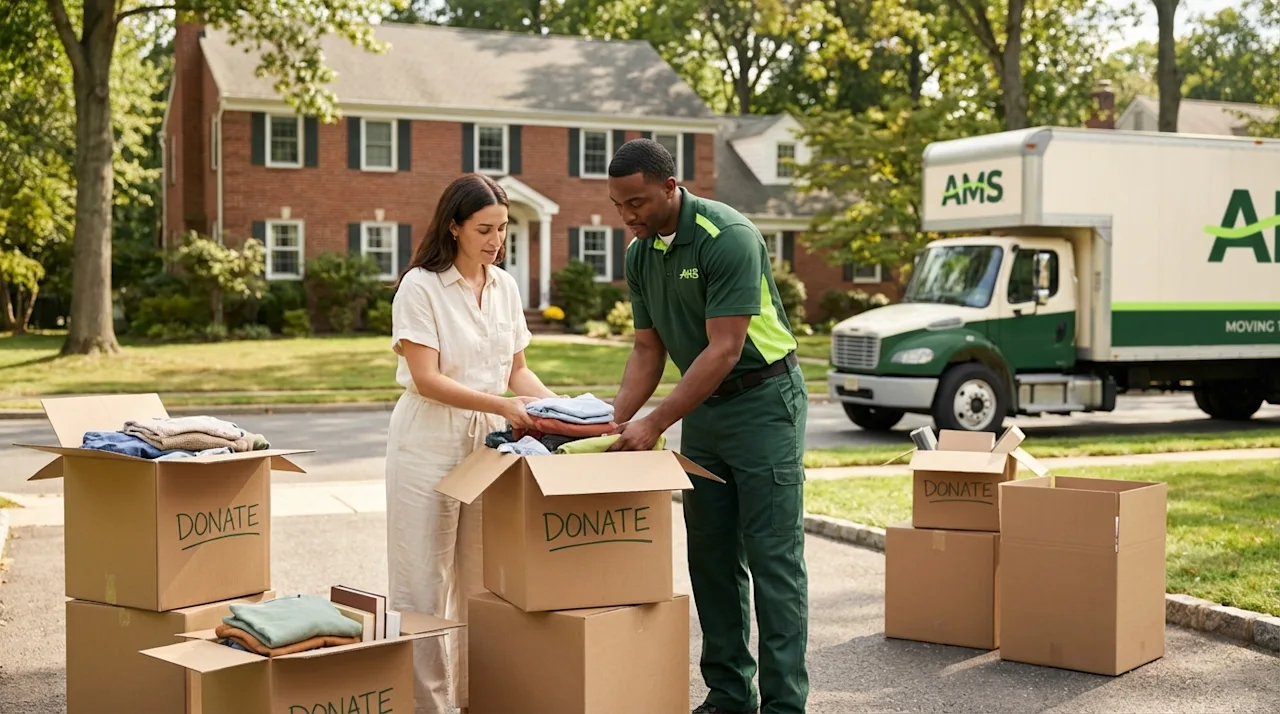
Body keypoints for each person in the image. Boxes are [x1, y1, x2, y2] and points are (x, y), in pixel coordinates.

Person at [605, 139, 809, 714]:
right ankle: (728, 697)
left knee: (773, 558)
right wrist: (616, 422)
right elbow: (648, 349)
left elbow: (724, 349)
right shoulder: (640, 253)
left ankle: (785, 705)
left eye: (637, 202)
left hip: (764, 401)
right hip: (704, 411)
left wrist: (656, 423)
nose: (628, 216)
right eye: (619, 205)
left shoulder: (729, 236)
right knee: (712, 556)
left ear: (671, 188)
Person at [385, 173, 558, 714]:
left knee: (482, 584)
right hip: (426, 444)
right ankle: (427, 706)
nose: (495, 240)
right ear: (454, 226)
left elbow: (517, 371)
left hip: (489, 448)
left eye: (503, 229)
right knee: (422, 585)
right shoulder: (421, 286)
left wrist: (562, 412)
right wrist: (505, 406)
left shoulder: (504, 286)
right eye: (485, 228)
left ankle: (474, 699)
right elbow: (427, 378)